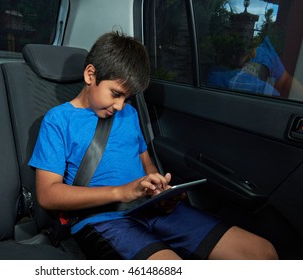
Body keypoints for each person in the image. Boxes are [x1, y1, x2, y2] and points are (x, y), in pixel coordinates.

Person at [28, 32, 278, 260]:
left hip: (150, 209)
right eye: (115, 93)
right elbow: (48, 195)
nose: (120, 106)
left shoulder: (128, 114)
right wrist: (121, 192)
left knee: (262, 253)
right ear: (90, 75)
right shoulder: (58, 120)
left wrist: (161, 190)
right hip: (103, 219)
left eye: (127, 97)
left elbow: (146, 163)